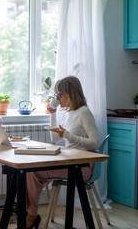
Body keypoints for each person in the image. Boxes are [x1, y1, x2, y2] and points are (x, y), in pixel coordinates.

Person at [25, 75, 101, 228]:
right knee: (29, 171)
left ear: (70, 94)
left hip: (82, 166)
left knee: (31, 172)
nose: (57, 98)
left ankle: (31, 215)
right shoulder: (69, 113)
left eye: (60, 95)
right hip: (69, 160)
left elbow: (96, 142)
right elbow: (55, 138)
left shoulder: (84, 112)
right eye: (56, 95)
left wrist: (68, 135)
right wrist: (52, 114)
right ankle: (29, 212)